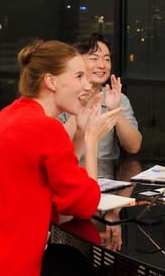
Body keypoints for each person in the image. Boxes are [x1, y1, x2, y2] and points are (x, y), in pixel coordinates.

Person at [0, 40, 123, 276]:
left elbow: (60, 171)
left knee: (67, 259)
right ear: (51, 81)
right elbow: (85, 205)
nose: (87, 85)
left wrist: (80, 132)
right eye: (79, 76)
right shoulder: (46, 128)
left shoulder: (16, 111)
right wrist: (91, 139)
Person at [59, 33, 142, 251]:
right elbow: (59, 147)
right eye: (94, 58)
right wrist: (80, 108)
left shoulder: (117, 96)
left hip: (106, 186)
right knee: (70, 249)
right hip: (69, 185)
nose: (102, 64)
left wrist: (116, 111)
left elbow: (133, 146)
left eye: (106, 58)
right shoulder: (64, 95)